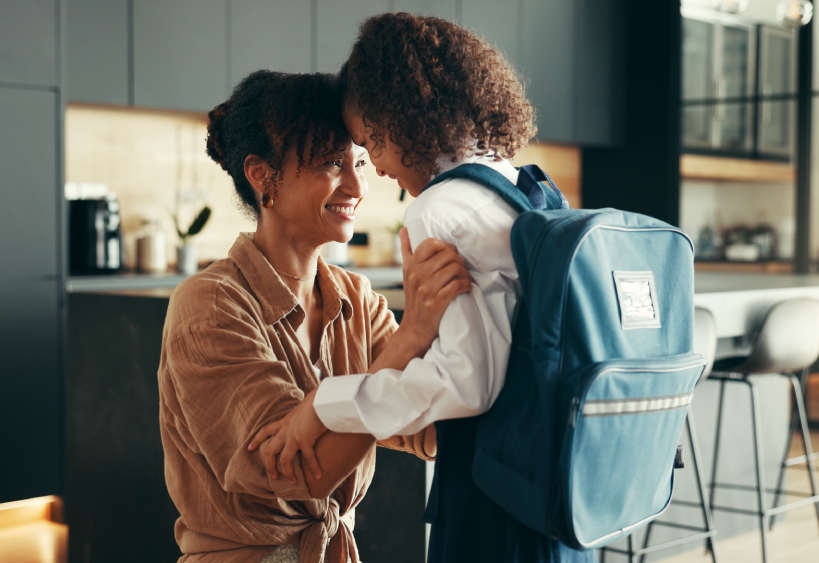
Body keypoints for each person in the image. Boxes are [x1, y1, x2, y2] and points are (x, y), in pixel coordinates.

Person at [248, 13, 597, 563]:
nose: (377, 172)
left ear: (397, 118)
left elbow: (467, 385)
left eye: (369, 145)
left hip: (499, 496)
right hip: (556, 485)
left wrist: (322, 404)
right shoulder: (516, 184)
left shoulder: (438, 208)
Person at [157, 69, 472, 563]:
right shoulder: (210, 305)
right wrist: (413, 333)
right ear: (263, 175)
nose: (356, 185)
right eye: (331, 162)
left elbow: (419, 423)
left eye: (361, 161)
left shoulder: (356, 298)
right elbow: (299, 474)